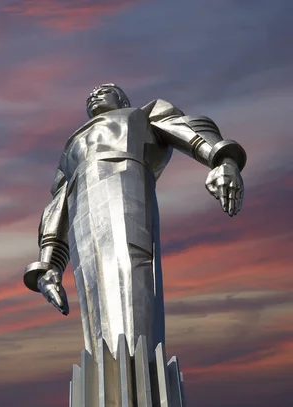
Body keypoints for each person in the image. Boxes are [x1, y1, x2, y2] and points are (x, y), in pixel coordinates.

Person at [23, 83, 246, 361]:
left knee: (131, 267)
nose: (94, 93)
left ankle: (136, 369)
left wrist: (223, 161)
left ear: (122, 98)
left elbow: (187, 128)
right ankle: (109, 377)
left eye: (104, 89)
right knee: (94, 293)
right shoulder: (72, 144)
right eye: (90, 93)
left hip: (125, 184)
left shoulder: (143, 115)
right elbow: (58, 202)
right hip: (81, 204)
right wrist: (49, 264)